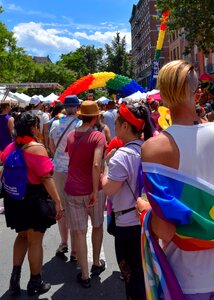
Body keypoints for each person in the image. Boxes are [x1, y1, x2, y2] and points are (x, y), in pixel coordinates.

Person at [136, 60, 214, 299]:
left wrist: (145, 212)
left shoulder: (155, 148)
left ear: (162, 96)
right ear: (198, 93)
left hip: (185, 275)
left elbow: (165, 231)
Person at [0, 112, 63, 296]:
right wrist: (58, 202)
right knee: (35, 242)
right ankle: (35, 282)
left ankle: (14, 280)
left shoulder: (12, 147)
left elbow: (3, 164)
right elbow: (46, 178)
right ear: (33, 128)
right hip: (33, 199)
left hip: (14, 199)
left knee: (21, 237)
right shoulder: (36, 148)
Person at [102, 103, 154, 300]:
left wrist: (104, 170)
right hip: (149, 220)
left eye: (116, 123)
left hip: (128, 225)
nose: (114, 126)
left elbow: (109, 188)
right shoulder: (150, 148)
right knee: (148, 275)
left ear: (125, 126)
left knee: (132, 279)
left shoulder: (121, 156)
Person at [64, 101, 107, 288]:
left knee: (79, 233)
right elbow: (97, 164)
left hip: (72, 190)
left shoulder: (71, 135)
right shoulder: (98, 136)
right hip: (94, 190)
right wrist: (94, 191)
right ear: (96, 117)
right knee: (97, 226)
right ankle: (96, 263)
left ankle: (84, 274)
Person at [49, 95, 82, 261]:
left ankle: (63, 243)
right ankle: (75, 250)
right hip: (76, 170)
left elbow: (51, 147)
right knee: (75, 208)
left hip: (59, 169)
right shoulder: (81, 125)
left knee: (61, 206)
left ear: (64, 107)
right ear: (76, 107)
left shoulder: (55, 124)